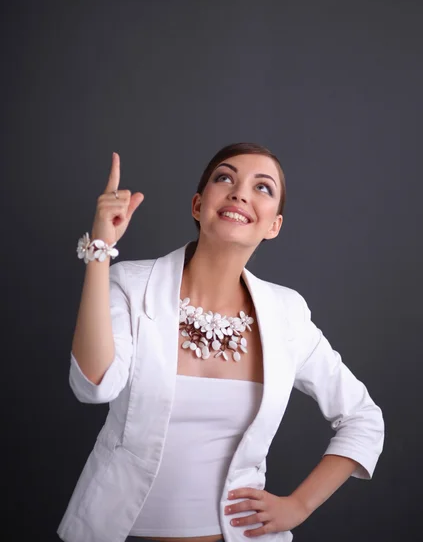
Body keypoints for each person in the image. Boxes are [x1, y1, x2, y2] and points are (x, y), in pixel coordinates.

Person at [57, 143, 384, 542]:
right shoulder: (130, 284)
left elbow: (363, 418)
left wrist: (298, 505)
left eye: (262, 187)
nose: (240, 192)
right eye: (225, 178)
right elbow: (94, 385)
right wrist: (100, 254)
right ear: (198, 205)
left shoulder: (287, 313)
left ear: (273, 226)